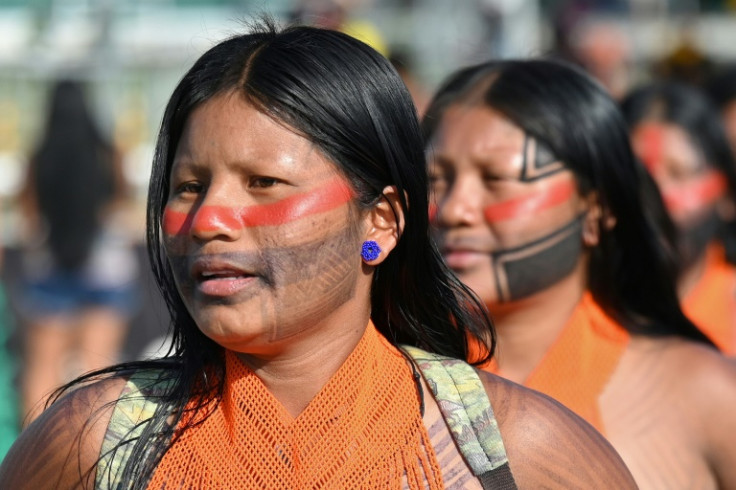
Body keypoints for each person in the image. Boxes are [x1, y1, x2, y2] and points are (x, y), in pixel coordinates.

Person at [0, 23, 636, 489]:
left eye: (263, 183)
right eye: (188, 187)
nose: (208, 220)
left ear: (382, 222)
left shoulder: (514, 451)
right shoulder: (90, 441)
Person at [423, 58, 736, 489]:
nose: (455, 209)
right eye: (436, 180)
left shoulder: (708, 396)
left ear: (596, 208)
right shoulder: (387, 377)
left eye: (496, 179)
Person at [15, 79, 140, 424]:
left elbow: (29, 214)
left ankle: (33, 466)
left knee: (42, 369)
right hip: (105, 266)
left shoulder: (38, 156)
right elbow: (121, 200)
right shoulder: (108, 153)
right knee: (98, 368)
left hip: (49, 266)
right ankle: (94, 461)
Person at [622, 82, 736, 355]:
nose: (657, 198)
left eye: (678, 174)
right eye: (640, 177)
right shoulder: (566, 312)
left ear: (727, 196)